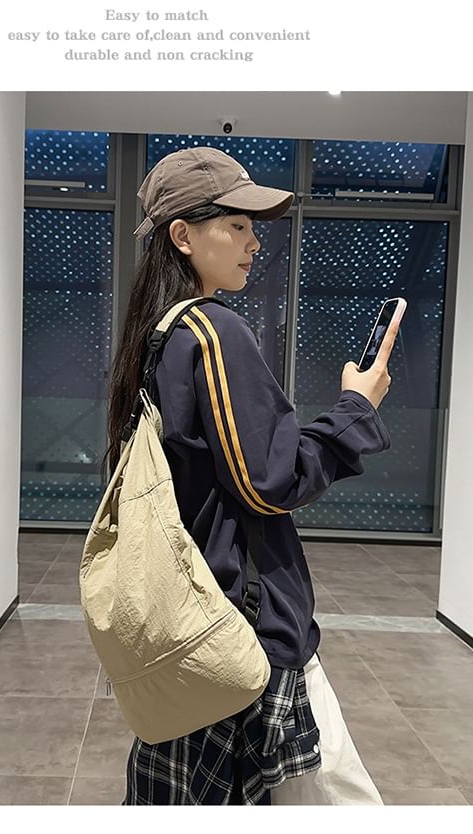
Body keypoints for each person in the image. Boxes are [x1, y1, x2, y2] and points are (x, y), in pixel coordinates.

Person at [101, 146, 397, 805]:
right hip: (244, 625)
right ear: (183, 236)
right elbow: (272, 480)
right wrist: (358, 407)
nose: (254, 243)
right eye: (236, 225)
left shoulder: (154, 336)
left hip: (190, 617)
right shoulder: (213, 331)